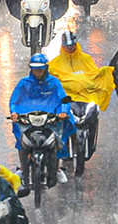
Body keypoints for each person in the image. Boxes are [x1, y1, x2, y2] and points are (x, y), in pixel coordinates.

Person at [9, 54, 75, 187]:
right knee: (21, 138)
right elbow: (14, 100)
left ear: (46, 68)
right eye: (35, 69)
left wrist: (63, 112)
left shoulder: (54, 82)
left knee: (58, 138)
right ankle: (23, 168)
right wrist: (14, 113)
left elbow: (63, 99)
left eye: (40, 69)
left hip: (50, 117)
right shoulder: (24, 83)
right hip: (29, 118)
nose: (37, 72)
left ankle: (56, 168)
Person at [49, 30, 115, 112]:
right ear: (63, 46)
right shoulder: (55, 63)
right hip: (65, 101)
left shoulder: (86, 59)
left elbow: (94, 77)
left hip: (87, 100)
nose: (69, 48)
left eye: (71, 45)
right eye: (67, 46)